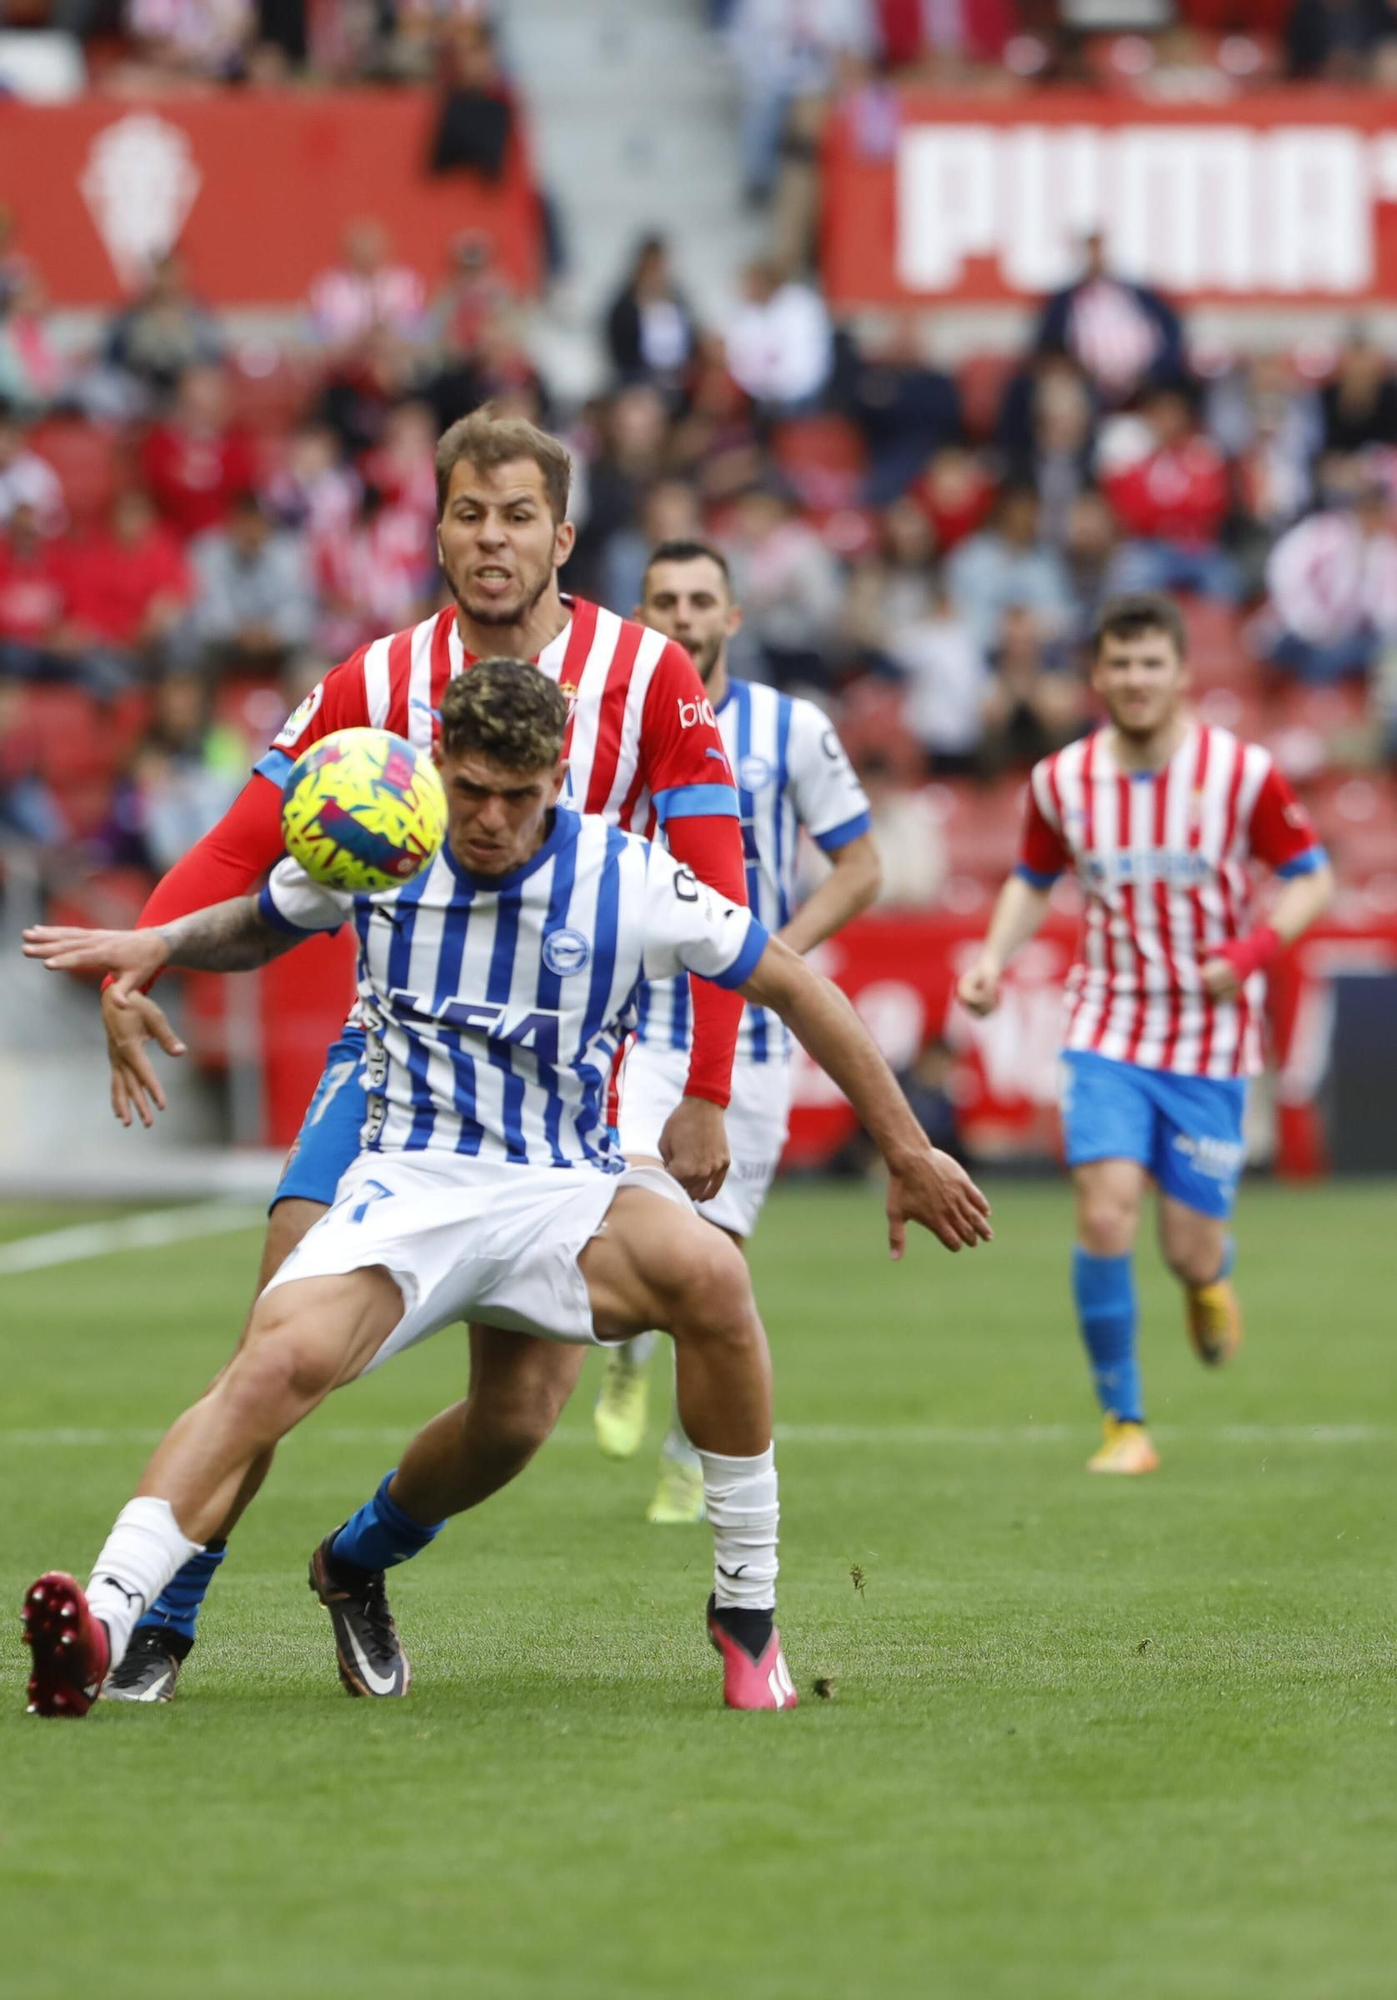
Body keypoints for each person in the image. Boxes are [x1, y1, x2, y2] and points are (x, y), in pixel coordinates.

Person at [21, 660, 992, 1719]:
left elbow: (792, 983)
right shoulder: (383, 841)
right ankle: (106, 1616)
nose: (486, 819)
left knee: (687, 1292)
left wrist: (903, 1147)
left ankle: (745, 1616)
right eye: (470, 788)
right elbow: (263, 916)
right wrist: (160, 939)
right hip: (413, 1182)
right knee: (277, 1354)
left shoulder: (626, 878)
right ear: (436, 762)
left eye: (515, 796)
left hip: (562, 1189)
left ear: (556, 778)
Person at [87, 408, 751, 1701]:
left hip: (571, 1083)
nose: (489, 539)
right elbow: (248, 832)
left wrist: (709, 1087)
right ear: (436, 525)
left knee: (517, 1418)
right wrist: (143, 950)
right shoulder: (374, 685)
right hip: (395, 1061)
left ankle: (361, 1558)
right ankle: (165, 1616)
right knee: (275, 1340)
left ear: (560, 535)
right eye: (466, 513)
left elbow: (722, 885)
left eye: (515, 516)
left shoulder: (649, 677)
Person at [956, 592, 1333, 1475]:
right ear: (1096, 675)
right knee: (1103, 1212)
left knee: (1186, 1247)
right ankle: (1123, 1423)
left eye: (1149, 663)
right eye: (1117, 664)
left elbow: (1310, 880)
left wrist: (1250, 949)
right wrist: (991, 958)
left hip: (1208, 1039)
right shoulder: (1062, 780)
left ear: (1180, 672)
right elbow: (1031, 878)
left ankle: (1207, 1280)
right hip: (1108, 1024)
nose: (1133, 679)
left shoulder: (1240, 774)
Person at [593, 539, 882, 1520]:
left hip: (747, 1039)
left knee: (715, 1256)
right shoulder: (608, 723)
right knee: (621, 1221)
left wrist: (768, 954)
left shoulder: (791, 728)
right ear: (640, 616)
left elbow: (859, 865)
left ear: (733, 617)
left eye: (699, 598)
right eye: (662, 598)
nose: (681, 614)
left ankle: (684, 1447)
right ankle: (627, 1352)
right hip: (632, 1024)